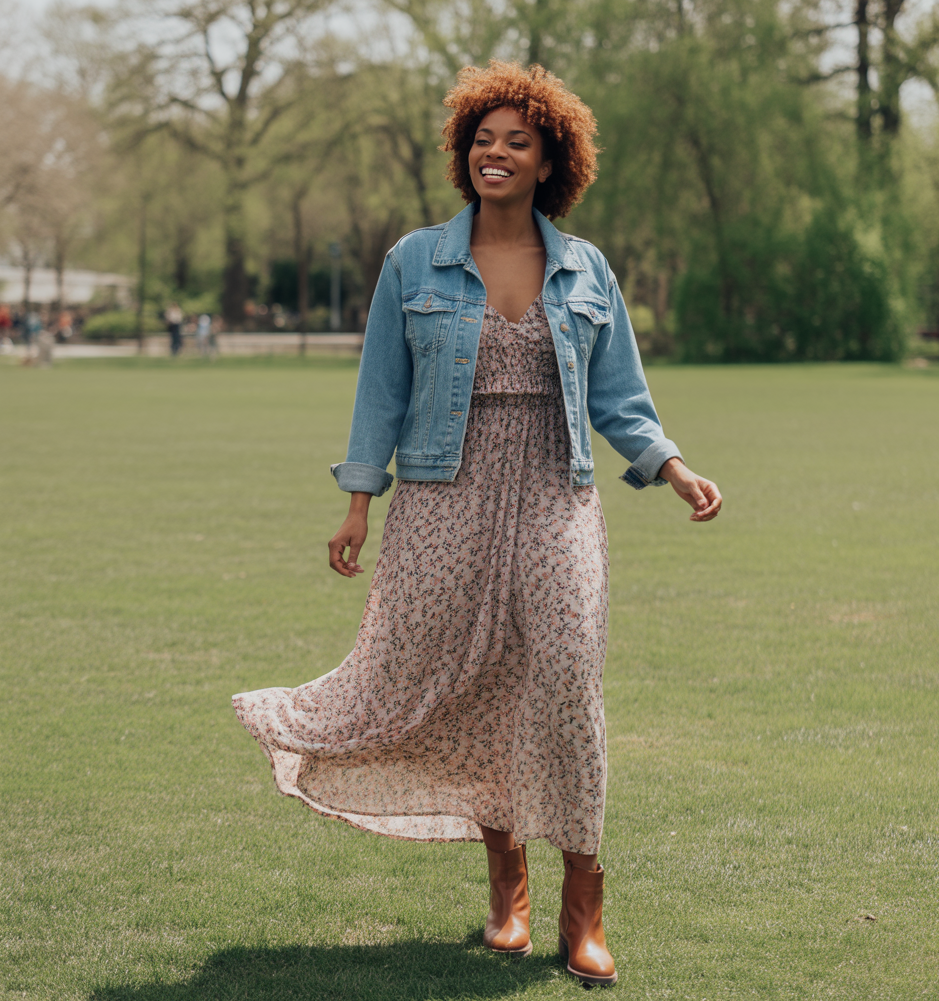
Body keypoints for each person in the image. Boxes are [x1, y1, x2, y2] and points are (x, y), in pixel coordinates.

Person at [233, 60, 722, 987]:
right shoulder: (413, 261)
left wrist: (674, 465)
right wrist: (356, 502)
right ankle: (508, 886)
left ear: (550, 162)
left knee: (569, 672)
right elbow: (382, 388)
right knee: (465, 679)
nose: (495, 153)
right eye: (481, 140)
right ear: (466, 155)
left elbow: (621, 399)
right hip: (443, 495)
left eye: (517, 142)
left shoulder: (587, 270)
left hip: (555, 491)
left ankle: (585, 902)